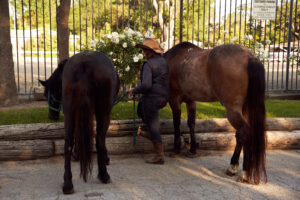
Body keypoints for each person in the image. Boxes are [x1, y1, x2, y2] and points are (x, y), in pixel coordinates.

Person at [129, 38, 169, 164]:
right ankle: (148, 132)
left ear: (150, 52)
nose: (143, 53)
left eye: (145, 50)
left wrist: (134, 90)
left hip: (151, 99)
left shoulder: (148, 64)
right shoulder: (163, 61)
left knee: (153, 126)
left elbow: (146, 85)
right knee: (141, 109)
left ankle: (159, 156)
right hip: (163, 98)